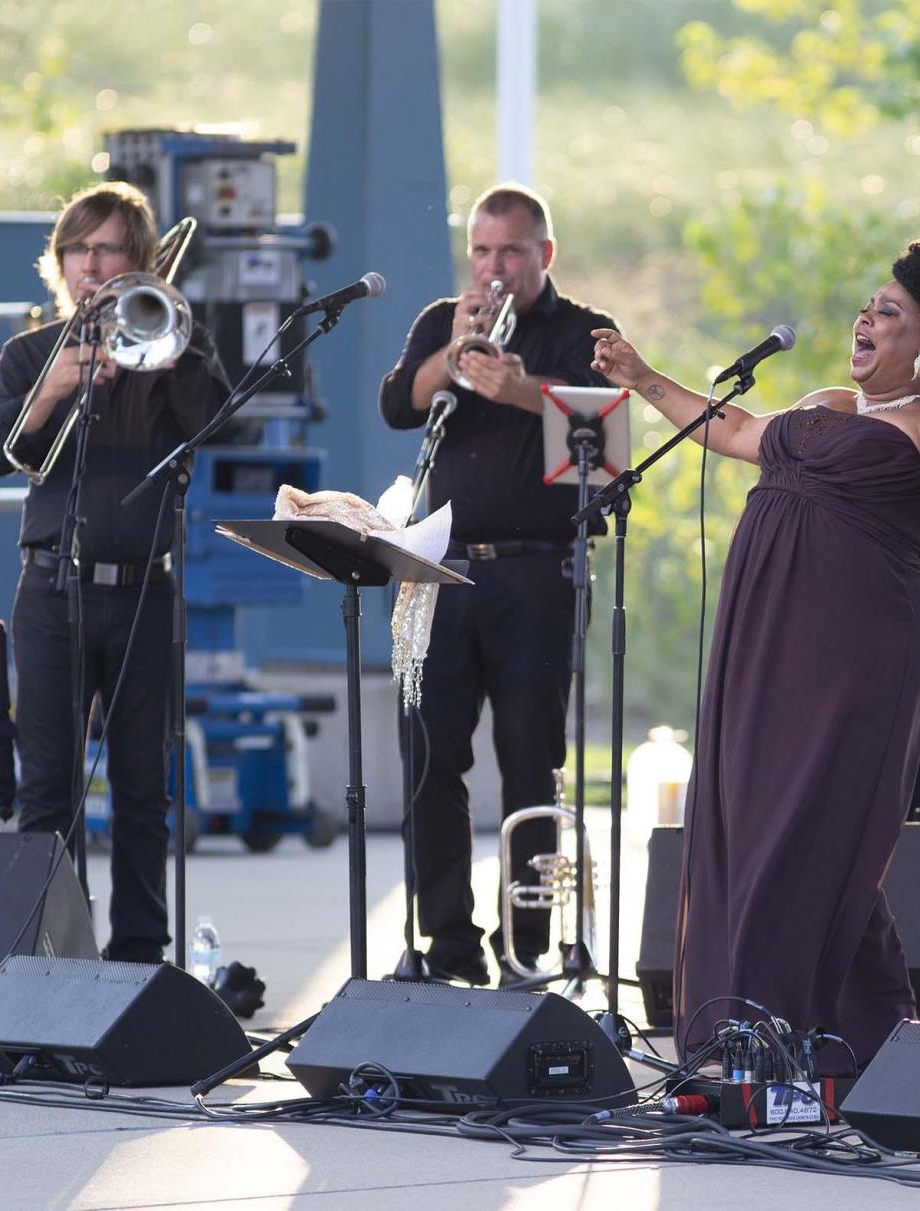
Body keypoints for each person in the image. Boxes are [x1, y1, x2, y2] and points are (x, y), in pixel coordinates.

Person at [591, 238, 920, 1072]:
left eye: (889, 313)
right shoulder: (826, 402)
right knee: (749, 819)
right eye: (869, 305)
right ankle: (825, 1039)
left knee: (816, 829)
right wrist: (641, 374)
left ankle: (800, 1033)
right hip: (765, 637)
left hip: (861, 651)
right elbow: (734, 430)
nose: (866, 318)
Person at [0, 181, 228, 963]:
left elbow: (214, 419)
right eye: (76, 250)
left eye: (107, 249)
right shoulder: (26, 353)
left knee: (145, 792)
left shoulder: (172, 345)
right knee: (48, 790)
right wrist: (54, 387)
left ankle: (142, 956)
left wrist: (169, 339)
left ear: (138, 260)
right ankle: (53, 954)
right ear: (58, 263)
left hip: (145, 589)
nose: (90, 265)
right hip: (53, 588)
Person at [377, 185, 619, 986]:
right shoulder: (443, 319)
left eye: (510, 252)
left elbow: (608, 440)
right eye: (481, 251)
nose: (493, 267)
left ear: (543, 254)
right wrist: (454, 353)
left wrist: (519, 388)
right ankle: (448, 940)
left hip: (535, 571)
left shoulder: (584, 332)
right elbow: (395, 404)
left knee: (529, 763)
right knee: (429, 762)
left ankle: (529, 946)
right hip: (439, 570)